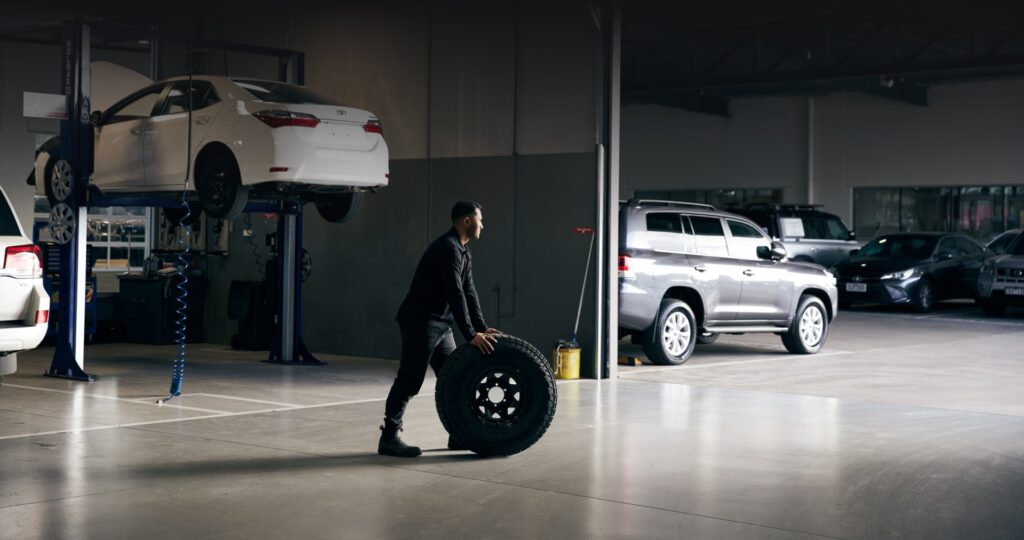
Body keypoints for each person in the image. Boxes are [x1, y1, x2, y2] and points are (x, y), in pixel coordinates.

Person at [378, 200, 500, 457]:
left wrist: (482, 328)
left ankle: (457, 435)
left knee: (454, 378)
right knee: (411, 380)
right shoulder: (447, 248)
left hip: (441, 325)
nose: (483, 225)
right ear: (467, 221)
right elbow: (455, 294)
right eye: (480, 219)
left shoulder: (463, 252)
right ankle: (389, 437)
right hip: (421, 322)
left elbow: (469, 292)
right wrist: (471, 335)